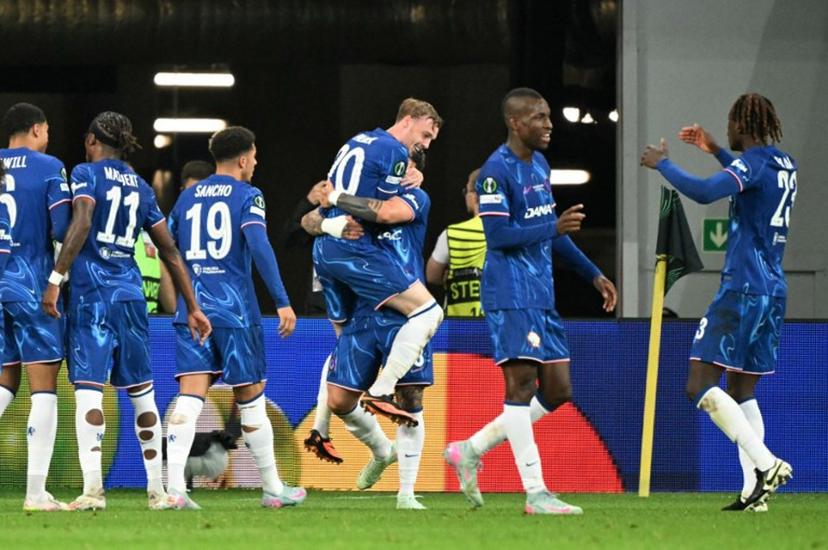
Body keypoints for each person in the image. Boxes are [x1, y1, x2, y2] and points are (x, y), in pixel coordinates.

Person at [443, 87, 617, 515]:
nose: (549, 124)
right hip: (510, 293)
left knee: (558, 390)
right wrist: (552, 230)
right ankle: (536, 493)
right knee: (521, 388)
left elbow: (549, 230)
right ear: (515, 123)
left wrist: (593, 274)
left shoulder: (539, 164)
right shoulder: (494, 172)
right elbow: (499, 236)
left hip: (541, 293)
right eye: (539, 117)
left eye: (549, 116)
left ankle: (471, 449)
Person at [41, 111, 212, 511]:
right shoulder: (141, 187)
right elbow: (170, 250)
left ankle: (92, 491)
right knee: (142, 394)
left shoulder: (85, 173)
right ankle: (157, 491)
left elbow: (82, 221)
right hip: (132, 297)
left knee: (89, 391)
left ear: (91, 140)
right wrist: (192, 306)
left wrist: (56, 278)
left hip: (92, 295)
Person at [640, 92, 794, 511]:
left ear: (742, 125)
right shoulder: (784, 164)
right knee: (741, 389)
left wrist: (663, 164)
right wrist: (716, 151)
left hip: (742, 288)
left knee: (698, 383)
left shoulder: (754, 164)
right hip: (772, 291)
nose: (727, 130)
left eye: (729, 125)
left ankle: (767, 464)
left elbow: (707, 192)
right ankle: (754, 493)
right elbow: (752, 179)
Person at [164, 126, 305, 510]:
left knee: (189, 398)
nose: (255, 163)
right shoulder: (248, 195)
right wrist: (282, 300)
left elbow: (167, 247)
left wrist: (185, 294)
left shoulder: (187, 197)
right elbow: (259, 245)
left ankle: (174, 489)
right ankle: (272, 488)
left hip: (193, 311)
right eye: (255, 156)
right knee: (251, 399)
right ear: (243, 158)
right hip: (234, 313)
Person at [303, 160, 432, 510]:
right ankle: (382, 451)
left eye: (404, 166)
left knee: (410, 398)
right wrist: (328, 221)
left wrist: (336, 200)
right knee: (339, 401)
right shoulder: (357, 203)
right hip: (362, 314)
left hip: (405, 311)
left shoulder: (415, 198)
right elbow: (308, 221)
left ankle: (406, 493)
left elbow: (388, 214)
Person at [311, 98, 444, 426]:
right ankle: (382, 390)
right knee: (429, 312)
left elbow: (312, 216)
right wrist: (410, 178)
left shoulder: (356, 141)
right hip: (356, 252)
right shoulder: (394, 151)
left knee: (343, 342)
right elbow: (383, 211)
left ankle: (321, 429)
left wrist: (330, 216)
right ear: (409, 120)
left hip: (325, 250)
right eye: (425, 135)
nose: (426, 144)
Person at [0, 102, 72, 512]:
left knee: (5, 381)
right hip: (31, 284)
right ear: (37, 130)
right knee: (43, 389)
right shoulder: (48, 167)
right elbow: (62, 227)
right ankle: (35, 493)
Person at [425, 168, 486, 317]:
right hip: (502, 324)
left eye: (466, 191)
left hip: (460, 323)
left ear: (473, 196)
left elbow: (432, 276)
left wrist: (454, 275)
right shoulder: (516, 233)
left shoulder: (452, 233)